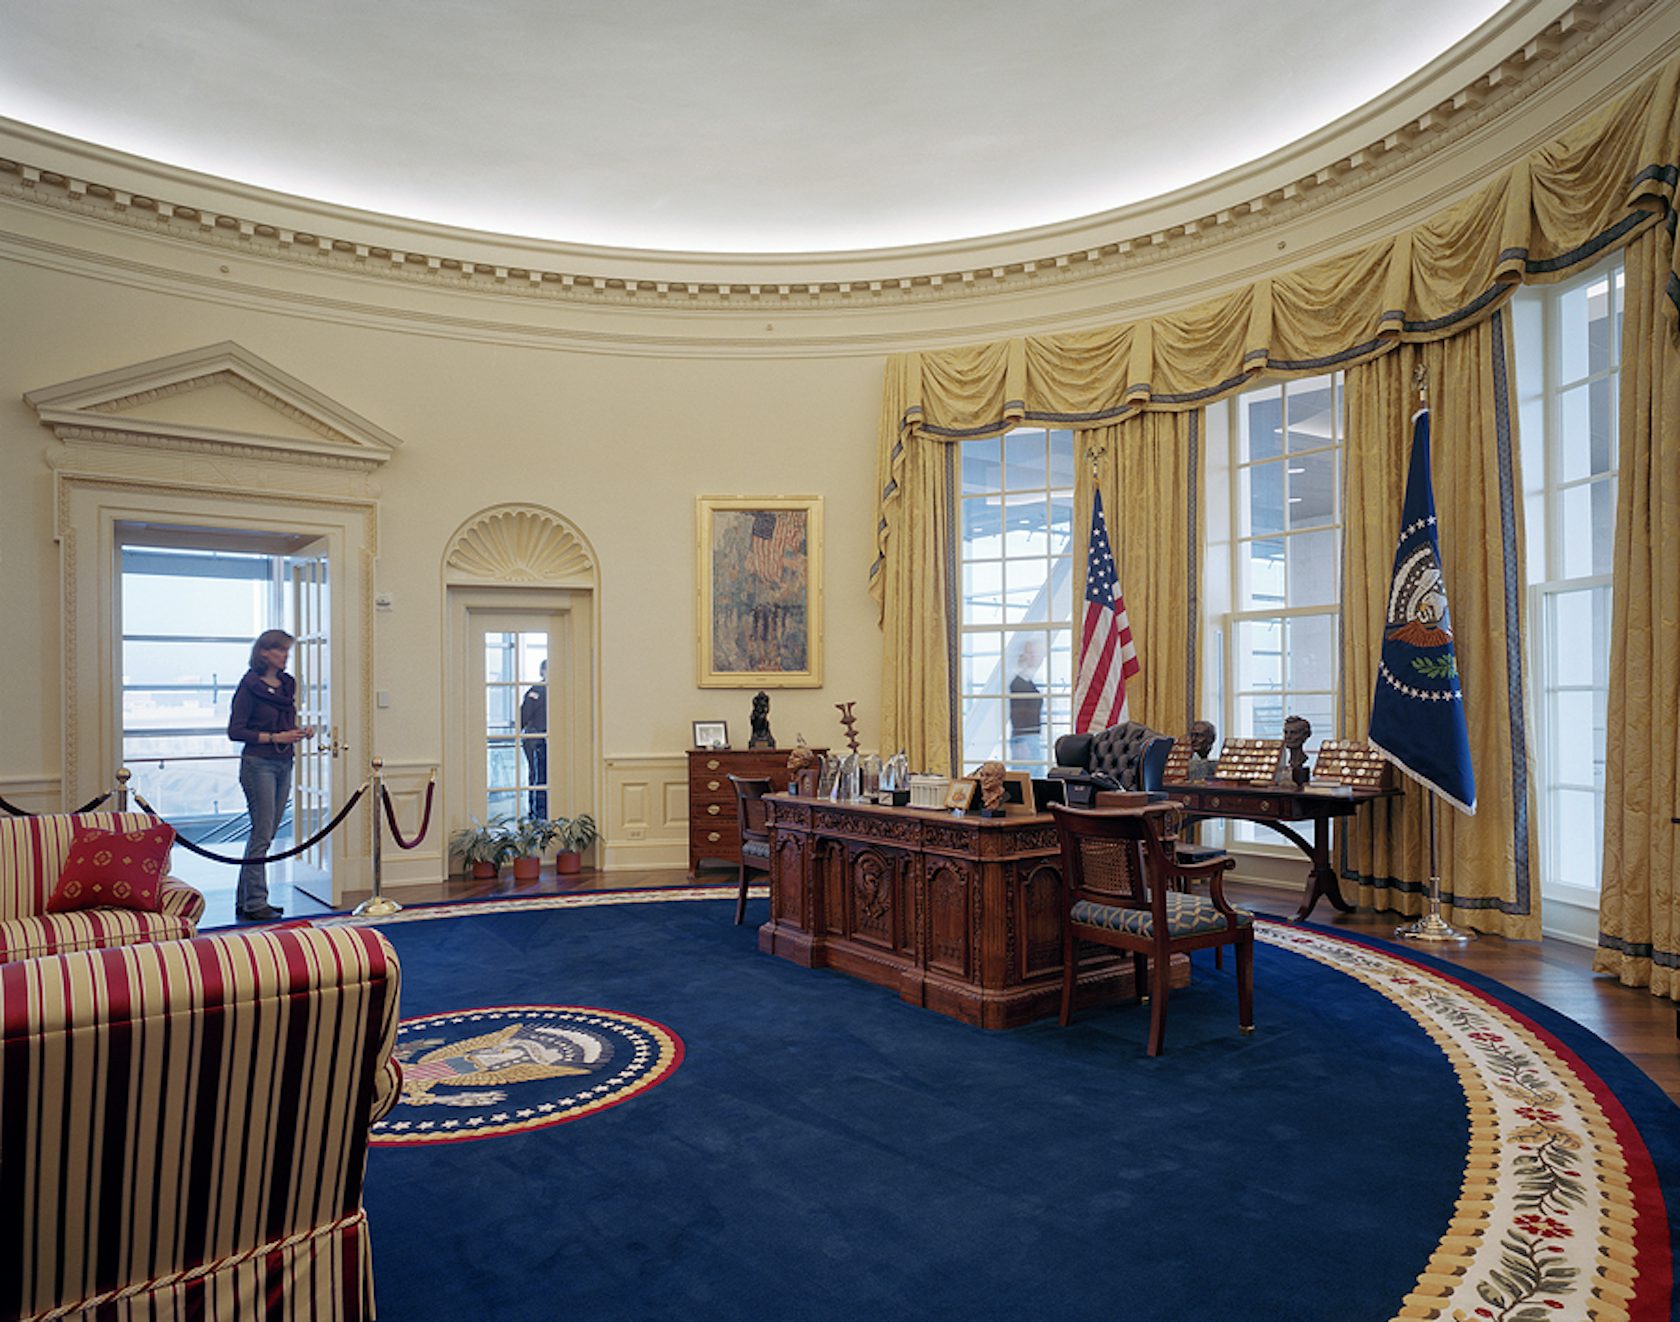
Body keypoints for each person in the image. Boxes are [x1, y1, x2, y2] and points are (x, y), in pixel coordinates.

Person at [226, 628, 315, 921]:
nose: (285, 656)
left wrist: (300, 732)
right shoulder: (249, 686)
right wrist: (275, 737)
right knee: (262, 834)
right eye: (281, 650)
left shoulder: (288, 685)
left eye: (287, 651)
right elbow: (236, 731)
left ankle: (247, 900)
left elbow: (285, 726)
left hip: (283, 762)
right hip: (258, 763)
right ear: (265, 652)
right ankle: (255, 902)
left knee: (265, 833)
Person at [1008, 637, 1045, 765]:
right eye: (1030, 653)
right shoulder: (1017, 683)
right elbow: (1017, 713)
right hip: (1023, 738)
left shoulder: (1028, 681)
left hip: (1032, 736)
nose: (1034, 657)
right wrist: (1020, 743)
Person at [520, 660, 547, 818]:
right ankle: (537, 812)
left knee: (540, 775)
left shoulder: (553, 692)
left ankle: (540, 811)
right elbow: (524, 715)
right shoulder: (537, 691)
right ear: (542, 671)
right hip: (535, 739)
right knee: (537, 775)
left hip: (542, 738)